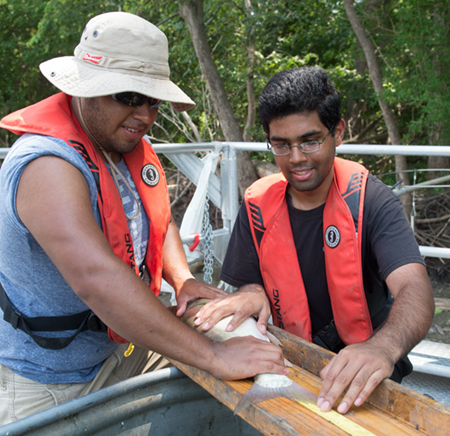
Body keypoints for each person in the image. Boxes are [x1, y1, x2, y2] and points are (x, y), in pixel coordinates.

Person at [0, 12, 287, 426]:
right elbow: (98, 279)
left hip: (121, 351)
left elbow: (158, 221)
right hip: (49, 381)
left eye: (152, 100)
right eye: (129, 96)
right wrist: (215, 356)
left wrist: (181, 278)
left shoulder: (122, 146)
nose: (146, 115)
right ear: (84, 89)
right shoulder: (47, 165)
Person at [193, 66, 435, 415]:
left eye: (310, 141)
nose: (295, 159)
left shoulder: (372, 201)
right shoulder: (257, 207)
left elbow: (415, 287)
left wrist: (382, 349)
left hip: (366, 372)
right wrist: (251, 294)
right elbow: (248, 285)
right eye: (281, 145)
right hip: (289, 365)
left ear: (337, 132)